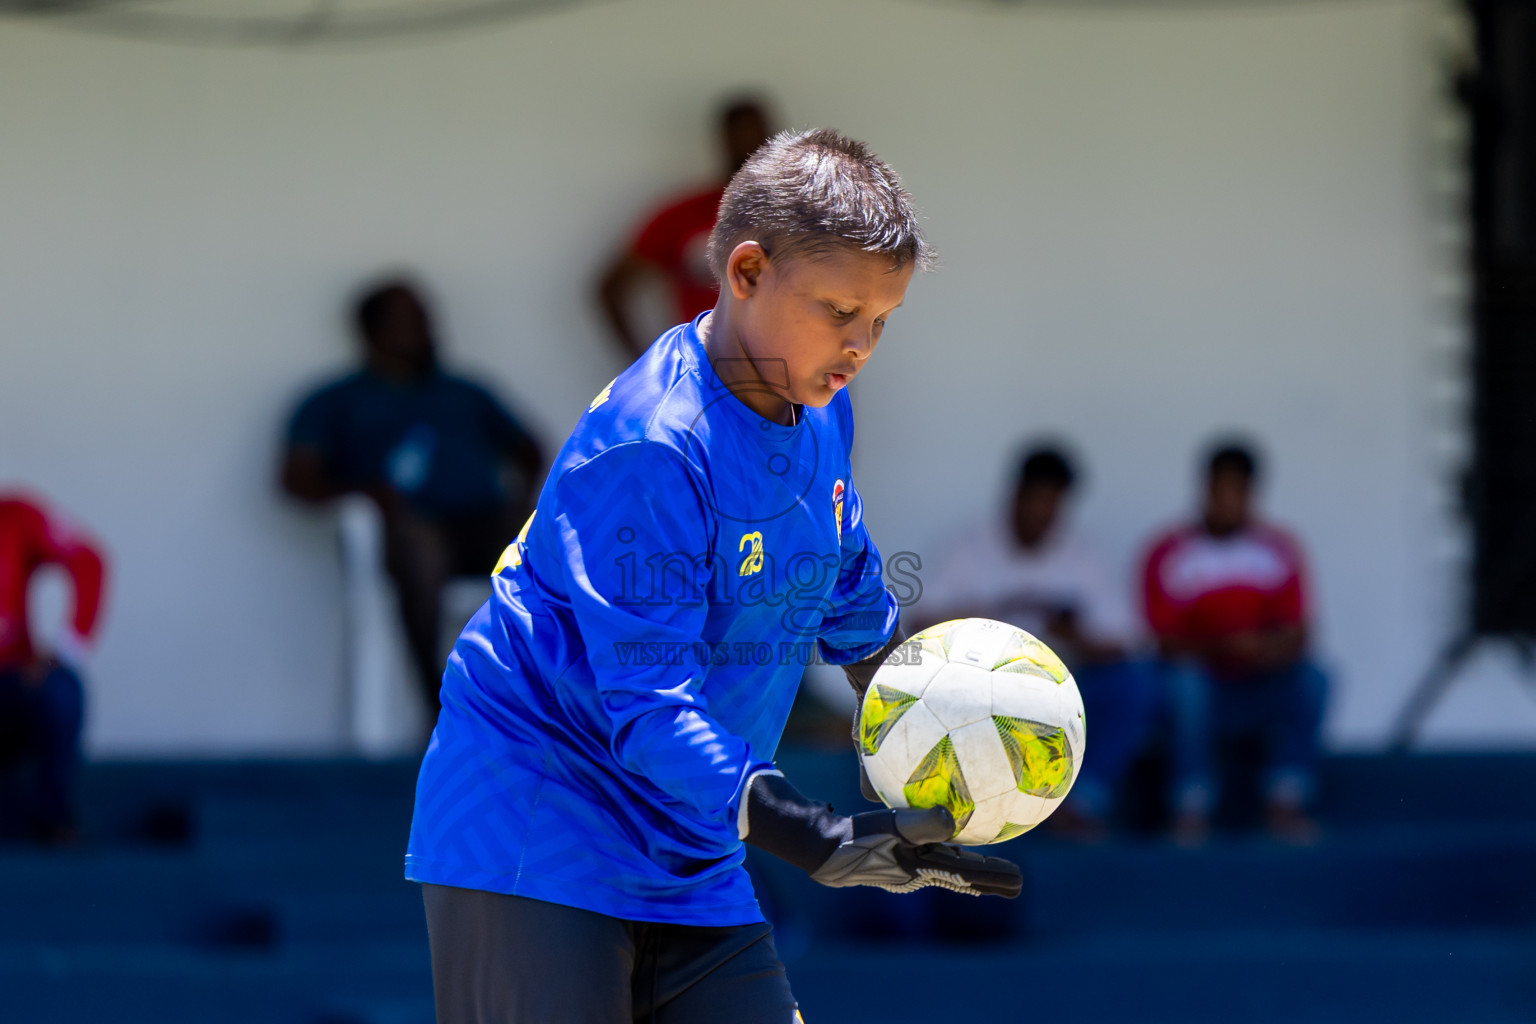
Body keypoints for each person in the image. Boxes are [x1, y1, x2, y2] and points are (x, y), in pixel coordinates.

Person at [407, 129, 1022, 1024]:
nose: (861, 346)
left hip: (693, 849)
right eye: (838, 312)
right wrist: (817, 837)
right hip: (536, 833)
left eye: (881, 321)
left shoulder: (820, 409)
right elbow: (650, 708)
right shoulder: (651, 445)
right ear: (743, 273)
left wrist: (952, 755)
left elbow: (849, 605)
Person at [280, 278, 544, 716]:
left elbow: (529, 450)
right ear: (371, 332)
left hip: (482, 526)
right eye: (410, 321)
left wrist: (523, 501)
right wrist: (363, 493)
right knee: (422, 545)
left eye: (426, 318)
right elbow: (295, 480)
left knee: (566, 538)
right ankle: (438, 703)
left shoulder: (466, 392)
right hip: (399, 538)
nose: (427, 330)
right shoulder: (334, 401)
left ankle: (567, 708)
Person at [917, 444, 1155, 838]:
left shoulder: (1082, 554)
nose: (1042, 513)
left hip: (1063, 682)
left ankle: (1080, 804)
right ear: (1015, 494)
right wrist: (993, 616)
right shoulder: (970, 546)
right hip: (984, 683)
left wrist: (1071, 633)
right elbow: (922, 622)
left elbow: (1125, 642)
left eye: (1053, 503)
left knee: (1132, 684)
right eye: (1036, 499)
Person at [1142, 440, 1327, 845]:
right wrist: (1224, 648)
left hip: (1258, 682)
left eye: (1238, 490)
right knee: (1185, 683)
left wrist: (1265, 649)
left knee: (1314, 679)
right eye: (1220, 489)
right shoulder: (1170, 551)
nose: (1228, 500)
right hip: (1200, 686)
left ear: (1253, 492)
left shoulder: (1278, 548)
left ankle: (1286, 800)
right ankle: (1190, 805)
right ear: (1204, 488)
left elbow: (1299, 632)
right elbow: (1163, 643)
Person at [597, 97, 773, 360]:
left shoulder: (804, 216)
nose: (748, 142)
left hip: (784, 374)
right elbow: (612, 287)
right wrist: (645, 366)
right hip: (703, 371)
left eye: (756, 132)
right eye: (739, 133)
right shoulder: (683, 216)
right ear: (722, 139)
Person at [0, 491, 106, 845]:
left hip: (10, 686)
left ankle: (52, 820)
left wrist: (63, 651)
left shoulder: (15, 517)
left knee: (60, 687)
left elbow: (87, 559)